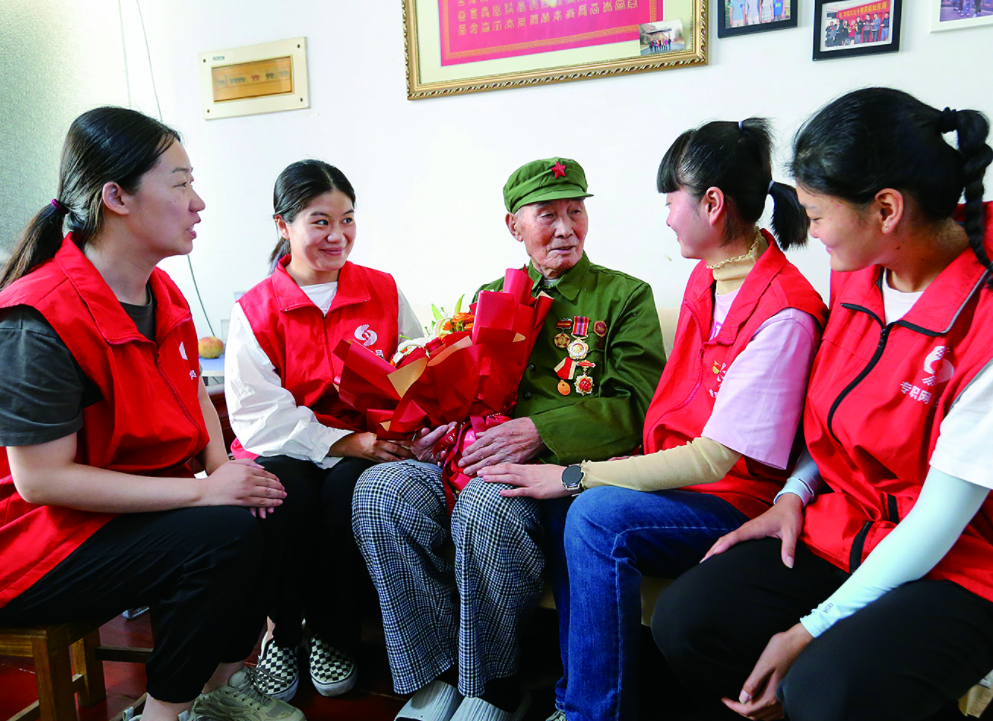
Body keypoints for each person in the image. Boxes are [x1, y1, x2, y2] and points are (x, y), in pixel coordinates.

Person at [652, 87, 993, 721]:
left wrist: (806, 631)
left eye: (817, 216)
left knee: (824, 689)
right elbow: (834, 423)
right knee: (689, 619)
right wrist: (791, 494)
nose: (808, 232)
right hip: (849, 526)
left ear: (886, 209)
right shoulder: (859, 271)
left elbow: (940, 520)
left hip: (965, 565)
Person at [481, 120, 825, 721]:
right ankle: (562, 696)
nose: (666, 219)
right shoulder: (709, 274)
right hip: (683, 478)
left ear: (710, 204)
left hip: (733, 495)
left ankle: (592, 712)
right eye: (546, 215)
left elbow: (717, 457)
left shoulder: (784, 312)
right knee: (570, 507)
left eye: (671, 202)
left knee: (594, 514)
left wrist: (574, 473)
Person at [0, 107, 301, 721]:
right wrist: (205, 495)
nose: (199, 203)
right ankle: (164, 714)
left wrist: (225, 470)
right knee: (221, 534)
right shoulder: (39, 317)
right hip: (36, 545)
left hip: (116, 517)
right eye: (181, 183)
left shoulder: (161, 292)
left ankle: (217, 689)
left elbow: (192, 394)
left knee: (271, 499)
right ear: (117, 197)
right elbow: (41, 481)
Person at [353, 157, 666, 721]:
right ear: (514, 226)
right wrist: (437, 427)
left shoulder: (624, 297)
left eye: (576, 211)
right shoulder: (488, 295)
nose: (566, 228)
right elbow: (456, 385)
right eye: (548, 215)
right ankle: (433, 679)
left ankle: (490, 687)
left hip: (553, 471)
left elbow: (640, 408)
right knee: (381, 489)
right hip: (469, 455)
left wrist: (540, 430)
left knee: (484, 505)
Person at [224, 159, 423, 701]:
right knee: (280, 495)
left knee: (347, 494)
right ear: (282, 225)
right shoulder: (255, 309)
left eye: (348, 219)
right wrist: (343, 440)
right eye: (320, 221)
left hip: (367, 446)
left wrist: (398, 426)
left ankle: (334, 637)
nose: (338, 236)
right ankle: (283, 637)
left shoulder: (381, 290)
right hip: (283, 443)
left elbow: (414, 367)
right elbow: (259, 414)